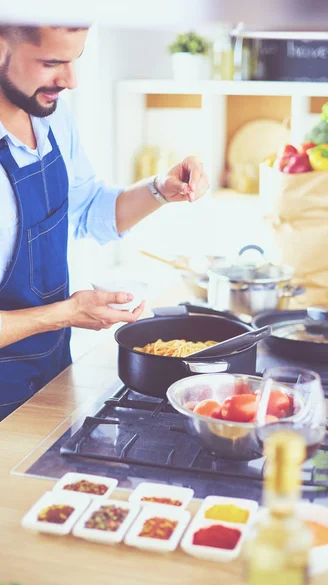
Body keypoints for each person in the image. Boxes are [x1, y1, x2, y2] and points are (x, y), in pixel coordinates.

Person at [0, 25, 210, 420]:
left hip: (51, 381)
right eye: (52, 63)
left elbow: (89, 210)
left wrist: (161, 189)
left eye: (75, 60)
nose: (71, 81)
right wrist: (66, 314)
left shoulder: (52, 122)